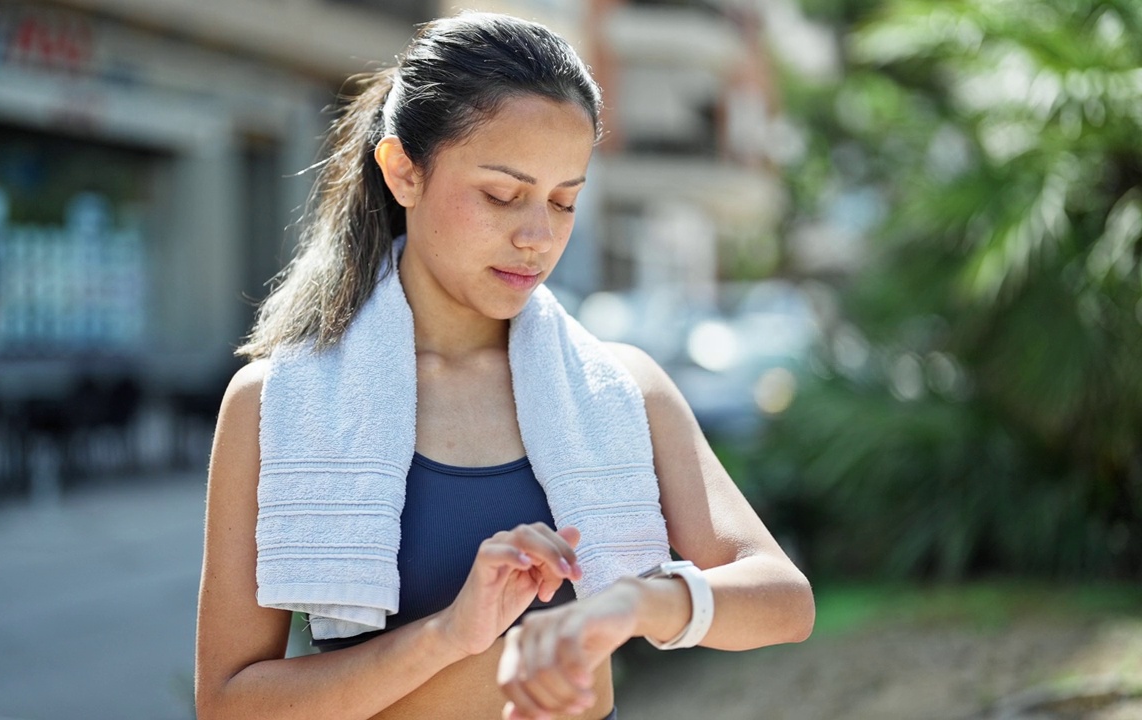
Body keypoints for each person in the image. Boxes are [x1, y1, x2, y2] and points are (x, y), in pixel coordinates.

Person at [195, 12, 813, 720]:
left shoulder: (622, 387)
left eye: (564, 201)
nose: (537, 236)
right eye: (501, 194)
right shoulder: (275, 401)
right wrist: (452, 635)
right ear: (403, 172)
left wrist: (633, 601)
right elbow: (229, 705)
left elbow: (783, 601)